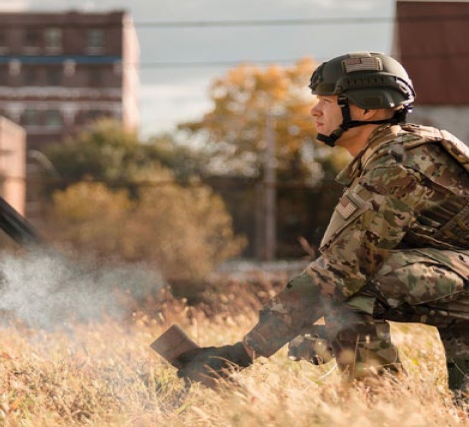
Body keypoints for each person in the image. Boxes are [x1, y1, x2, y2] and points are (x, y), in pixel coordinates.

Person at [175, 51, 469, 396]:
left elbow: (342, 271)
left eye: (327, 101)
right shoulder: (393, 153)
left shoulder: (399, 163)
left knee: (349, 288)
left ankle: (382, 406)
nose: (315, 110)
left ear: (366, 108)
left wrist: (242, 353)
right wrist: (329, 330)